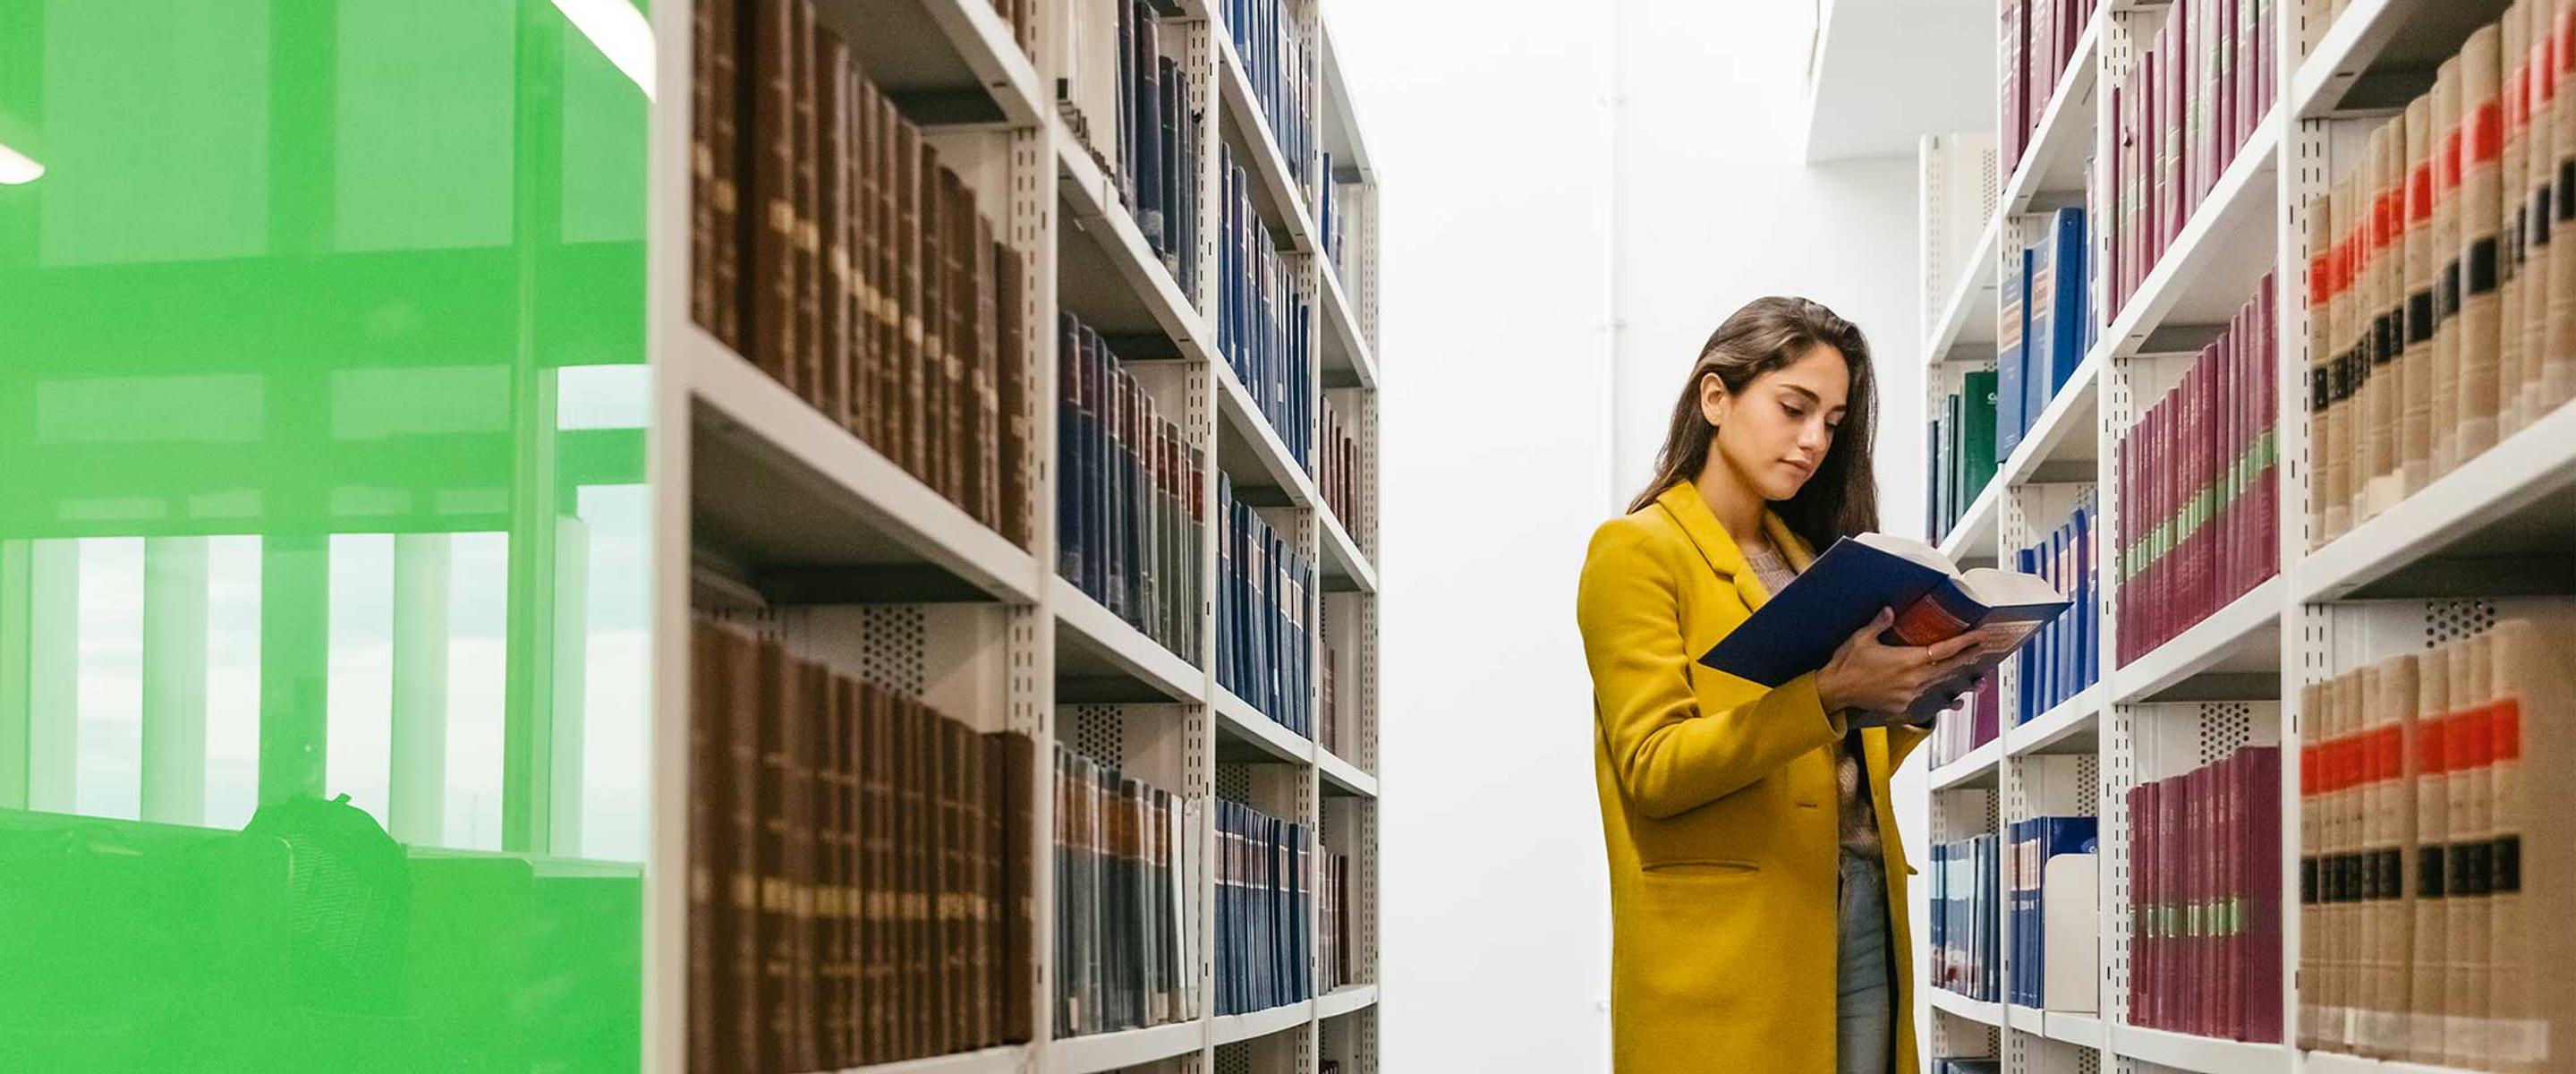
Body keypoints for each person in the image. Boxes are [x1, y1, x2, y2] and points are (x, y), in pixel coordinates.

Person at [1576, 296, 1987, 1074]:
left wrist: (1914, 690)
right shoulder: (1635, 552)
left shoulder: (1812, 558)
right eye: (1793, 408)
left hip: (1858, 902)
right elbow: (1655, 770)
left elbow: (1820, 770)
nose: (1812, 441)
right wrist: (1829, 694)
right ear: (1715, 397)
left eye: (1831, 422)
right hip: (1730, 935)